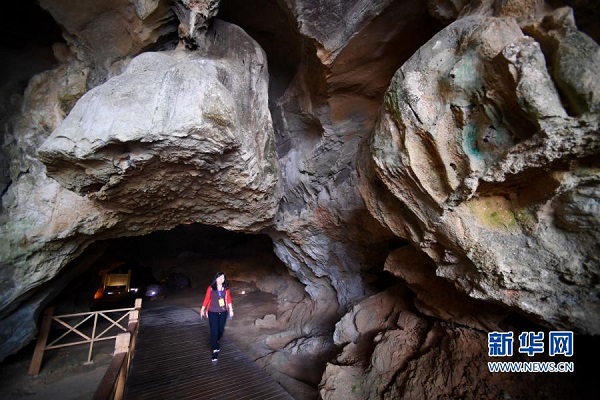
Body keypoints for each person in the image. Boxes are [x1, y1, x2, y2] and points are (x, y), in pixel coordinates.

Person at [200, 272, 234, 361]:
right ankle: (215, 349)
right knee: (214, 331)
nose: (221, 280)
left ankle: (216, 340)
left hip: (223, 312)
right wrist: (202, 309)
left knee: (221, 329)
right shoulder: (211, 288)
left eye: (223, 278)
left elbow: (228, 299)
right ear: (216, 278)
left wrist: (231, 309)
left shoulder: (226, 288)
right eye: (219, 278)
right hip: (212, 312)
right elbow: (207, 298)